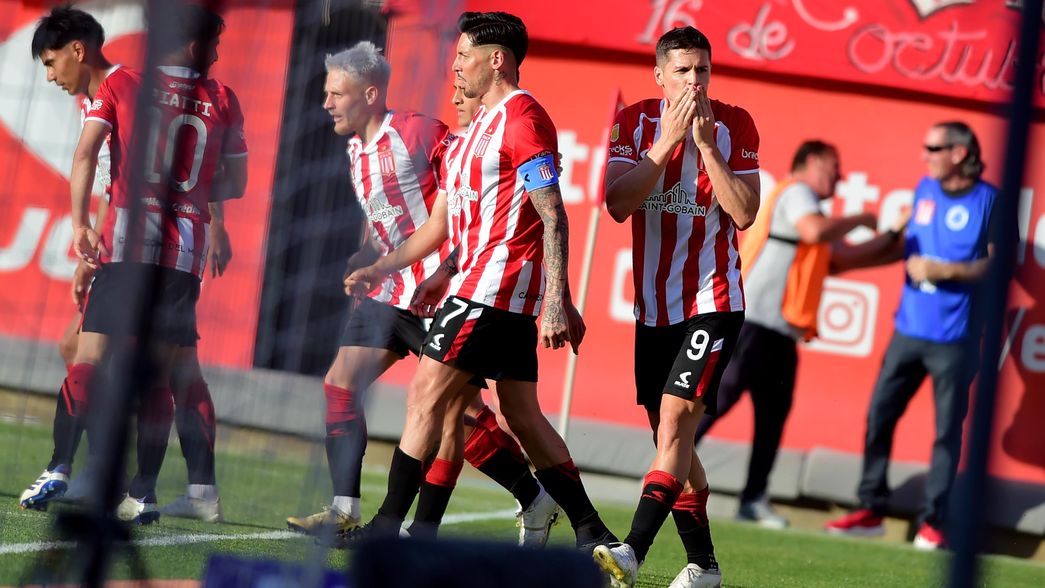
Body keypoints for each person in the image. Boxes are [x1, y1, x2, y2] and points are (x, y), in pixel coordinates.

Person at [341, 11, 616, 551]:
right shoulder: (466, 137)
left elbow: (553, 212)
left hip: (492, 290)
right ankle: (592, 531)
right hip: (477, 287)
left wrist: (557, 300)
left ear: (497, 60)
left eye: (464, 55)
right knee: (521, 417)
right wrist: (385, 267)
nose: (455, 67)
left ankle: (388, 530)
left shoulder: (524, 119)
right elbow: (441, 226)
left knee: (425, 397)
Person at [284, 41, 560, 546]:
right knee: (340, 383)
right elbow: (383, 216)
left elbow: (457, 209)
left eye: (335, 93)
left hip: (440, 291)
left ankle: (518, 498)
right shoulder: (354, 151)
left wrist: (448, 268)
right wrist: (367, 260)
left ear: (368, 95)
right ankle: (345, 509)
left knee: (459, 413)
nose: (326, 104)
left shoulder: (420, 132)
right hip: (388, 290)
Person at [20, 3, 247, 525]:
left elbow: (98, 166)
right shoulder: (213, 97)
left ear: (79, 52)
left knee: (107, 359)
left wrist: (84, 227)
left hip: (137, 246)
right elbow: (222, 175)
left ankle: (81, 469)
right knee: (152, 367)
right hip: (177, 254)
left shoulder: (125, 88)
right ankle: (146, 488)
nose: (50, 76)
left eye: (52, 64)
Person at [592, 26, 760, 588]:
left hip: (713, 302)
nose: (695, 81)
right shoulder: (635, 121)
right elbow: (617, 204)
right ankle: (705, 567)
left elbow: (743, 214)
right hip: (653, 311)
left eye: (703, 70)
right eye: (683, 71)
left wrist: (707, 146)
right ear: (660, 76)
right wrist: (665, 144)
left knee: (673, 424)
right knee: (674, 446)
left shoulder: (735, 124)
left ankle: (632, 552)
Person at [825, 121, 1003, 550]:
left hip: (955, 340)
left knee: (946, 433)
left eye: (933, 148)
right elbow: (902, 249)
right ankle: (871, 509)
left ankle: (933, 522)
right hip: (907, 331)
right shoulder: (924, 189)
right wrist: (847, 262)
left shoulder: (989, 201)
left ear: (959, 153)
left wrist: (946, 270)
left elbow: (999, 265)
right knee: (879, 416)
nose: (925, 155)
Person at [691, 140, 880, 529]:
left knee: (772, 417)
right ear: (809, 163)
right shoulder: (797, 192)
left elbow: (841, 260)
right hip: (755, 321)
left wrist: (899, 242)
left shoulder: (811, 207)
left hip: (781, 331)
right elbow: (814, 231)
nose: (839, 176)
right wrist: (862, 219)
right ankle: (667, 471)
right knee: (718, 400)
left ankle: (753, 499)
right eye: (833, 166)